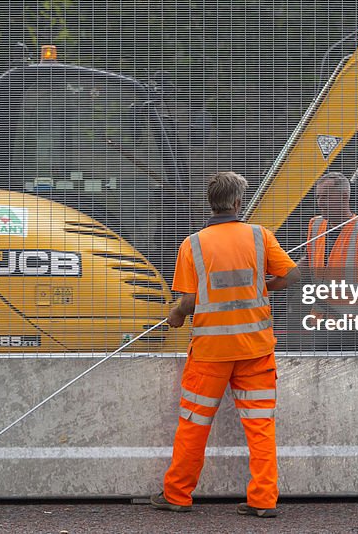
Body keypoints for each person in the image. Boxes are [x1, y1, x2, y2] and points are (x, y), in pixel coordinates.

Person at [150, 171, 300, 518]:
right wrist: (265, 286)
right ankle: (263, 500)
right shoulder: (260, 237)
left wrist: (175, 315)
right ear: (237, 202)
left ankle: (177, 495)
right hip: (255, 351)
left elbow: (188, 300)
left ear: (212, 203)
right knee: (260, 425)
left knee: (194, 423)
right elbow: (293, 275)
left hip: (210, 355)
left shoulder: (193, 244)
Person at [299, 171, 358, 329]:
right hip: (321, 321)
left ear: (345, 196)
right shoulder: (315, 225)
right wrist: (280, 276)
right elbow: (308, 260)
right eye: (318, 197)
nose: (320, 202)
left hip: (355, 325)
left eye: (326, 197)